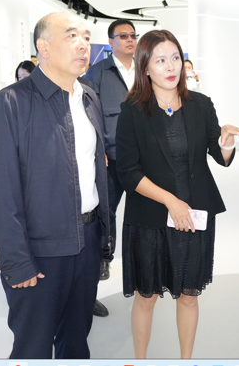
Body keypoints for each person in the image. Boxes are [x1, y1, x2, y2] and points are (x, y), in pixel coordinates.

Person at [116, 29, 239, 359]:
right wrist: (170, 201)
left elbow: (220, 157)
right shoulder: (133, 110)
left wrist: (226, 141)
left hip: (193, 217)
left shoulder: (200, 105)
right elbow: (128, 171)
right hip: (150, 218)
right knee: (146, 296)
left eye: (175, 57)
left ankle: (185, 361)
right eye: (161, 60)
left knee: (189, 295)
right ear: (145, 67)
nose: (171, 66)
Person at [0, 12, 110, 359]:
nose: (83, 45)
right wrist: (16, 261)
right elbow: (0, 192)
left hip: (87, 241)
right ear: (44, 47)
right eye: (72, 36)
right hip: (39, 249)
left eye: (86, 37)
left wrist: (103, 239)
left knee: (76, 342)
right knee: (33, 347)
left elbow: (96, 173)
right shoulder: (10, 102)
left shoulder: (89, 97)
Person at [84, 19, 137, 301]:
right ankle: (106, 256)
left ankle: (139, 257)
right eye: (123, 36)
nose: (130, 40)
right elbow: (89, 113)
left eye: (133, 35)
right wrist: (99, 148)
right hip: (112, 155)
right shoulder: (98, 72)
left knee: (142, 210)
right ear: (110, 42)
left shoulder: (145, 68)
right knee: (108, 210)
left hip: (143, 156)